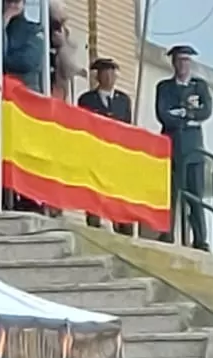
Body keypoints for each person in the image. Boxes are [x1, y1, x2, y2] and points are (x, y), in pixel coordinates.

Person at [154, 44, 212, 249]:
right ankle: (166, 233)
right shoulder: (165, 87)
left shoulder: (199, 86)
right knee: (170, 193)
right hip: (172, 145)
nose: (183, 65)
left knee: (196, 196)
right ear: (173, 63)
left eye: (187, 61)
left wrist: (186, 114)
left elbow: (206, 111)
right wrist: (184, 119)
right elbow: (163, 114)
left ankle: (200, 238)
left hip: (194, 149)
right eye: (180, 61)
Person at [77, 58, 134, 231]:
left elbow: (127, 126)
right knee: (94, 191)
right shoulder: (87, 99)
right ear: (98, 76)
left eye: (111, 73)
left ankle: (123, 226)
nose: (108, 77)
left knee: (120, 193)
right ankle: (94, 222)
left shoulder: (123, 100)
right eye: (104, 73)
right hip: (96, 152)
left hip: (117, 153)